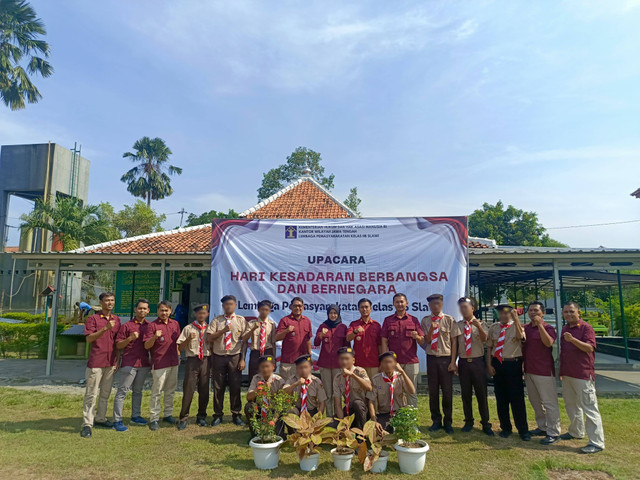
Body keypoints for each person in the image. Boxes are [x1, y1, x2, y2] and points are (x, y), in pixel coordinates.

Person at [559, 302, 605, 454]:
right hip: (567, 374)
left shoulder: (586, 328)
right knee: (571, 405)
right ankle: (576, 431)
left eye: (571, 311)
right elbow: (564, 352)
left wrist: (573, 340)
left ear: (578, 312)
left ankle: (597, 442)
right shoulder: (565, 329)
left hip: (583, 374)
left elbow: (589, 348)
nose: (569, 314)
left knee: (589, 407)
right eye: (566, 312)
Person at [486, 304, 530, 441]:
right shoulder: (494, 327)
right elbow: (489, 348)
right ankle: (506, 427)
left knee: (517, 399)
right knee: (501, 398)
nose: (503, 316)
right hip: (498, 364)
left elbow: (521, 337)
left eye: (506, 313)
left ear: (511, 314)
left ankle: (523, 430)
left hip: (513, 364)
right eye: (501, 313)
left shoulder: (517, 326)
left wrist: (516, 319)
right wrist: (488, 365)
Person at [80, 292, 121, 438]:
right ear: (101, 302)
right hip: (96, 362)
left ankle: (101, 418)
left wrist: (117, 360)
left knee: (105, 393)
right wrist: (105, 328)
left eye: (112, 300)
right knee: (91, 394)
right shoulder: (93, 319)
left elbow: (117, 343)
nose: (110, 303)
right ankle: (87, 424)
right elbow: (89, 339)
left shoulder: (116, 320)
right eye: (107, 300)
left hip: (110, 363)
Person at [522, 301, 561, 445]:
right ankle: (542, 426)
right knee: (535, 401)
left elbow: (548, 343)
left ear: (542, 313)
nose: (533, 313)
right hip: (529, 370)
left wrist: (539, 325)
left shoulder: (548, 328)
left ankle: (554, 432)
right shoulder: (526, 328)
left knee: (549, 402)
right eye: (531, 310)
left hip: (544, 371)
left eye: (536, 311)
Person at [207, 295, 247, 426]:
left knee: (235, 386)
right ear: (223, 306)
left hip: (235, 357)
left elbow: (244, 341)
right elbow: (209, 338)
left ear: (235, 305)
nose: (228, 306)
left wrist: (242, 359)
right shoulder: (216, 320)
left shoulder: (241, 320)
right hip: (219, 356)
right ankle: (218, 415)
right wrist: (223, 330)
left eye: (231, 304)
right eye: (226, 304)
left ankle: (236, 414)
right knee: (218, 386)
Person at [455, 297, 493, 436]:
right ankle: (468, 421)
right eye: (461, 307)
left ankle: (485, 423)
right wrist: (454, 362)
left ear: (473, 308)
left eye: (465, 307)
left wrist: (478, 326)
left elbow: (486, 340)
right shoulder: (458, 325)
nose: (463, 310)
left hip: (477, 361)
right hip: (464, 362)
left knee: (481, 394)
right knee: (466, 394)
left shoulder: (481, 323)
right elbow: (456, 345)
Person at [420, 293, 458, 433]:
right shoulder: (425, 320)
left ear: (441, 304)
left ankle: (448, 422)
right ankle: (436, 420)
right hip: (432, 358)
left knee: (447, 392)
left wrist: (453, 361)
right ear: (429, 306)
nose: (435, 306)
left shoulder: (449, 320)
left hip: (446, 358)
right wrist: (431, 329)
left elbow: (454, 342)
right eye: (432, 304)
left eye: (437, 304)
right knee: (433, 391)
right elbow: (427, 341)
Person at [112, 298, 151, 432]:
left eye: (145, 308)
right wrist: (129, 339)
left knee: (138, 391)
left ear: (148, 311)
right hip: (129, 363)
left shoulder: (149, 326)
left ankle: (136, 415)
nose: (142, 310)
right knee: (122, 391)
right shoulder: (127, 326)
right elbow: (118, 345)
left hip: (144, 363)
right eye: (140, 308)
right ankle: (117, 420)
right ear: (135, 309)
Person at [381, 293, 424, 408]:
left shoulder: (413, 320)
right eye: (397, 302)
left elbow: (422, 341)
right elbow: (384, 340)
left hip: (411, 362)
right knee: (394, 391)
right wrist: (385, 360)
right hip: (394, 362)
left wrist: (417, 337)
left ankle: (412, 422)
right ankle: (395, 420)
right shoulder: (388, 320)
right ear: (393, 304)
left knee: (411, 391)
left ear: (406, 303)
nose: (400, 304)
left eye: (402, 301)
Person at [143, 300, 181, 431]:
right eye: (161, 310)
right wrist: (154, 337)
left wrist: (178, 355)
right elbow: (147, 345)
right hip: (159, 363)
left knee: (170, 390)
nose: (164, 313)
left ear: (170, 311)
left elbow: (177, 342)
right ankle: (154, 418)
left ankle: (168, 414)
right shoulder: (152, 326)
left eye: (166, 310)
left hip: (173, 361)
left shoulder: (175, 324)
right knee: (157, 391)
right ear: (157, 311)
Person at [176, 304, 212, 430]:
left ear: (207, 314)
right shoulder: (188, 328)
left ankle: (201, 416)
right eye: (199, 313)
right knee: (188, 389)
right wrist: (187, 339)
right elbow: (180, 347)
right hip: (192, 360)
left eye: (204, 313)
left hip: (206, 360)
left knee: (204, 389)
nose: (201, 315)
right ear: (195, 314)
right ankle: (183, 417)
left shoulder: (210, 329)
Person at [366, 351, 415, 433]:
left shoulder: (400, 376)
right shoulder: (376, 379)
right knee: (379, 433)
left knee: (404, 433)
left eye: (390, 362)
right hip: (384, 413)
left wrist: (403, 372)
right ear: (381, 365)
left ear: (396, 363)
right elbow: (371, 401)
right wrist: (374, 420)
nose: (388, 365)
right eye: (385, 362)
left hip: (400, 412)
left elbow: (412, 391)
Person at [314, 304, 349, 416]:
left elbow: (347, 346)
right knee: (328, 393)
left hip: (339, 365)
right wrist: (321, 335)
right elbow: (315, 343)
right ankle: (329, 418)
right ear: (328, 314)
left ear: (338, 314)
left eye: (335, 313)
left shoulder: (343, 327)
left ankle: (339, 417)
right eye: (331, 313)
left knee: (338, 393)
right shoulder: (323, 326)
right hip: (325, 365)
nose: (333, 315)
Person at [244, 355, 286, 437]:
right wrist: (258, 389)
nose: (265, 369)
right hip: (260, 408)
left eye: (267, 366)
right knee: (249, 406)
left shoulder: (279, 381)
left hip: (274, 410)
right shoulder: (256, 378)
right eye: (262, 367)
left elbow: (281, 404)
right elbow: (248, 397)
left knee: (277, 434)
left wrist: (274, 420)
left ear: (273, 367)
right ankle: (254, 434)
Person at [333, 346, 372, 429]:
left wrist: (352, 375)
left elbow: (369, 387)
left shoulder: (360, 371)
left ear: (353, 360)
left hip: (363, 409)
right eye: (341, 359)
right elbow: (338, 404)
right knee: (331, 424)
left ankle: (361, 436)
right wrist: (342, 423)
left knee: (357, 404)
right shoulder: (337, 377)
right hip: (348, 409)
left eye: (347, 359)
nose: (344, 361)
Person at [276, 297, 312, 379]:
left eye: (300, 306)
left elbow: (308, 339)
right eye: (295, 306)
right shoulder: (285, 320)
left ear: (303, 307)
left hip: (303, 362)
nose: (297, 308)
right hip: (288, 363)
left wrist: (309, 356)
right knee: (287, 388)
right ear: (290, 307)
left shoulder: (307, 321)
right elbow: (276, 338)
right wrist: (286, 331)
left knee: (302, 387)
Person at [346, 298, 382, 380]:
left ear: (370, 309)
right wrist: (355, 332)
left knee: (374, 389)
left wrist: (381, 362)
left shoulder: (376, 325)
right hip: (359, 364)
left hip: (374, 364)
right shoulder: (354, 324)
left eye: (366, 307)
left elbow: (380, 344)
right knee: (359, 389)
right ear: (359, 309)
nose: (364, 309)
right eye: (362, 307)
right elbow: (348, 339)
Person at [242, 300, 277, 381]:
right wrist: (253, 328)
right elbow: (244, 339)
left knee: (268, 375)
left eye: (267, 310)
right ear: (258, 310)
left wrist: (274, 357)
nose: (264, 312)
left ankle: (266, 393)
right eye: (262, 309)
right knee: (254, 375)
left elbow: (273, 342)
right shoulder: (251, 323)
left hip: (268, 352)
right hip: (255, 352)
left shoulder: (272, 324)